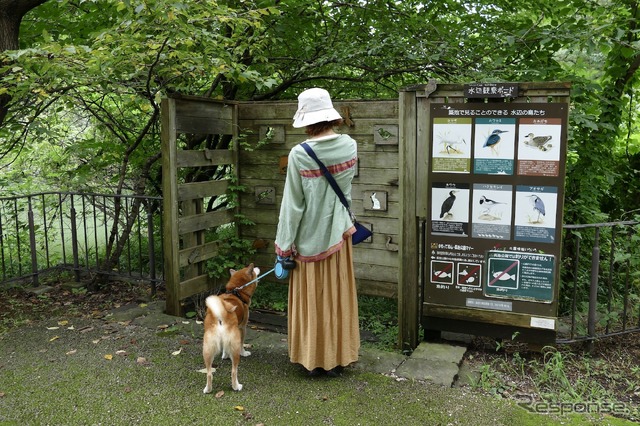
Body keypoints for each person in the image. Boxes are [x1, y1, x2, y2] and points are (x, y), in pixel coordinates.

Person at [275, 88, 360, 377]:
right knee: (338, 296)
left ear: (307, 119)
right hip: (339, 234)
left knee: (312, 300)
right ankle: (338, 359)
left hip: (309, 239)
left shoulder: (299, 154)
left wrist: (284, 246)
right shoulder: (350, 145)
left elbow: (293, 205)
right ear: (331, 114)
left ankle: (313, 361)